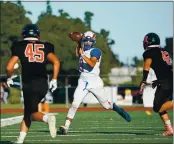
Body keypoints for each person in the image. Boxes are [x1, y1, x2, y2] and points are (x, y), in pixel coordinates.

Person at [59, 31, 131, 135]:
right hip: (83, 80)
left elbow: (92, 63)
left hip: (94, 81)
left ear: (93, 41)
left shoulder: (96, 51)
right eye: (86, 40)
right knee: (75, 103)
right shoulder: (82, 49)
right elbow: (77, 53)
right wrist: (78, 42)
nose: (88, 42)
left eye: (90, 41)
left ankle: (118, 109)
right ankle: (66, 126)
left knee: (106, 106)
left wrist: (82, 55)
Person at [6, 24, 60, 143]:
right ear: (38, 35)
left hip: (29, 84)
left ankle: (47, 118)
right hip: (43, 84)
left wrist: (9, 78)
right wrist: (54, 79)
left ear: (23, 35)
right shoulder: (46, 46)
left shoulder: (19, 46)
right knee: (27, 113)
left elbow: (9, 67)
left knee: (31, 114)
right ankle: (20, 140)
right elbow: (56, 62)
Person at [140, 32, 173, 136]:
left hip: (166, 82)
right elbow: (166, 68)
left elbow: (146, 67)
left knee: (157, 107)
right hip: (167, 80)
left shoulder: (149, 53)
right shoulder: (163, 50)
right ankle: (170, 129)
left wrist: (144, 80)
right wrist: (159, 80)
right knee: (160, 106)